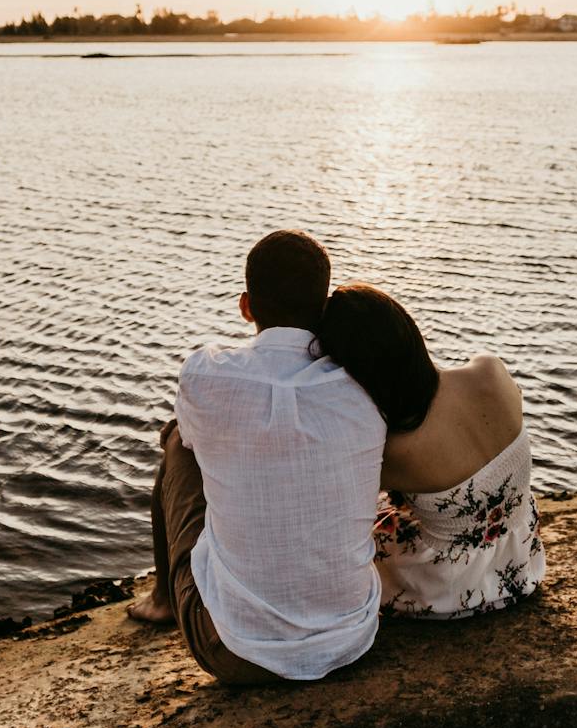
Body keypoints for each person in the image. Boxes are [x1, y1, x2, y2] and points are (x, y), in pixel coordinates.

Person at [126, 230, 387, 683]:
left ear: (246, 306)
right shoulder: (362, 384)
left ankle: (165, 600)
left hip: (232, 651)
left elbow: (190, 437)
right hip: (350, 637)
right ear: (323, 309)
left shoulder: (206, 373)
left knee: (176, 443)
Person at [314, 283, 545, 619]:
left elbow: (335, 511)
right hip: (521, 562)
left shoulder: (394, 449)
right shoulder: (490, 370)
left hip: (447, 589)